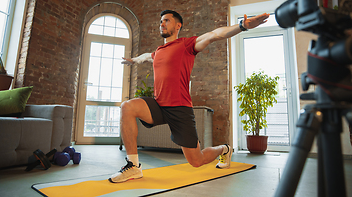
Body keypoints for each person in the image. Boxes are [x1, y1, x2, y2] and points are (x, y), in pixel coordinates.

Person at [109, 10, 269, 183]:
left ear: (178, 25)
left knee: (196, 160)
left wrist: (242, 26)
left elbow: (214, 35)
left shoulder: (186, 45)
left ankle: (224, 149)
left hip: (180, 109)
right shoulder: (158, 52)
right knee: (127, 106)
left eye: (166, 21)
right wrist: (134, 60)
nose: (162, 24)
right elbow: (147, 57)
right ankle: (133, 166)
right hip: (159, 105)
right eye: (161, 21)